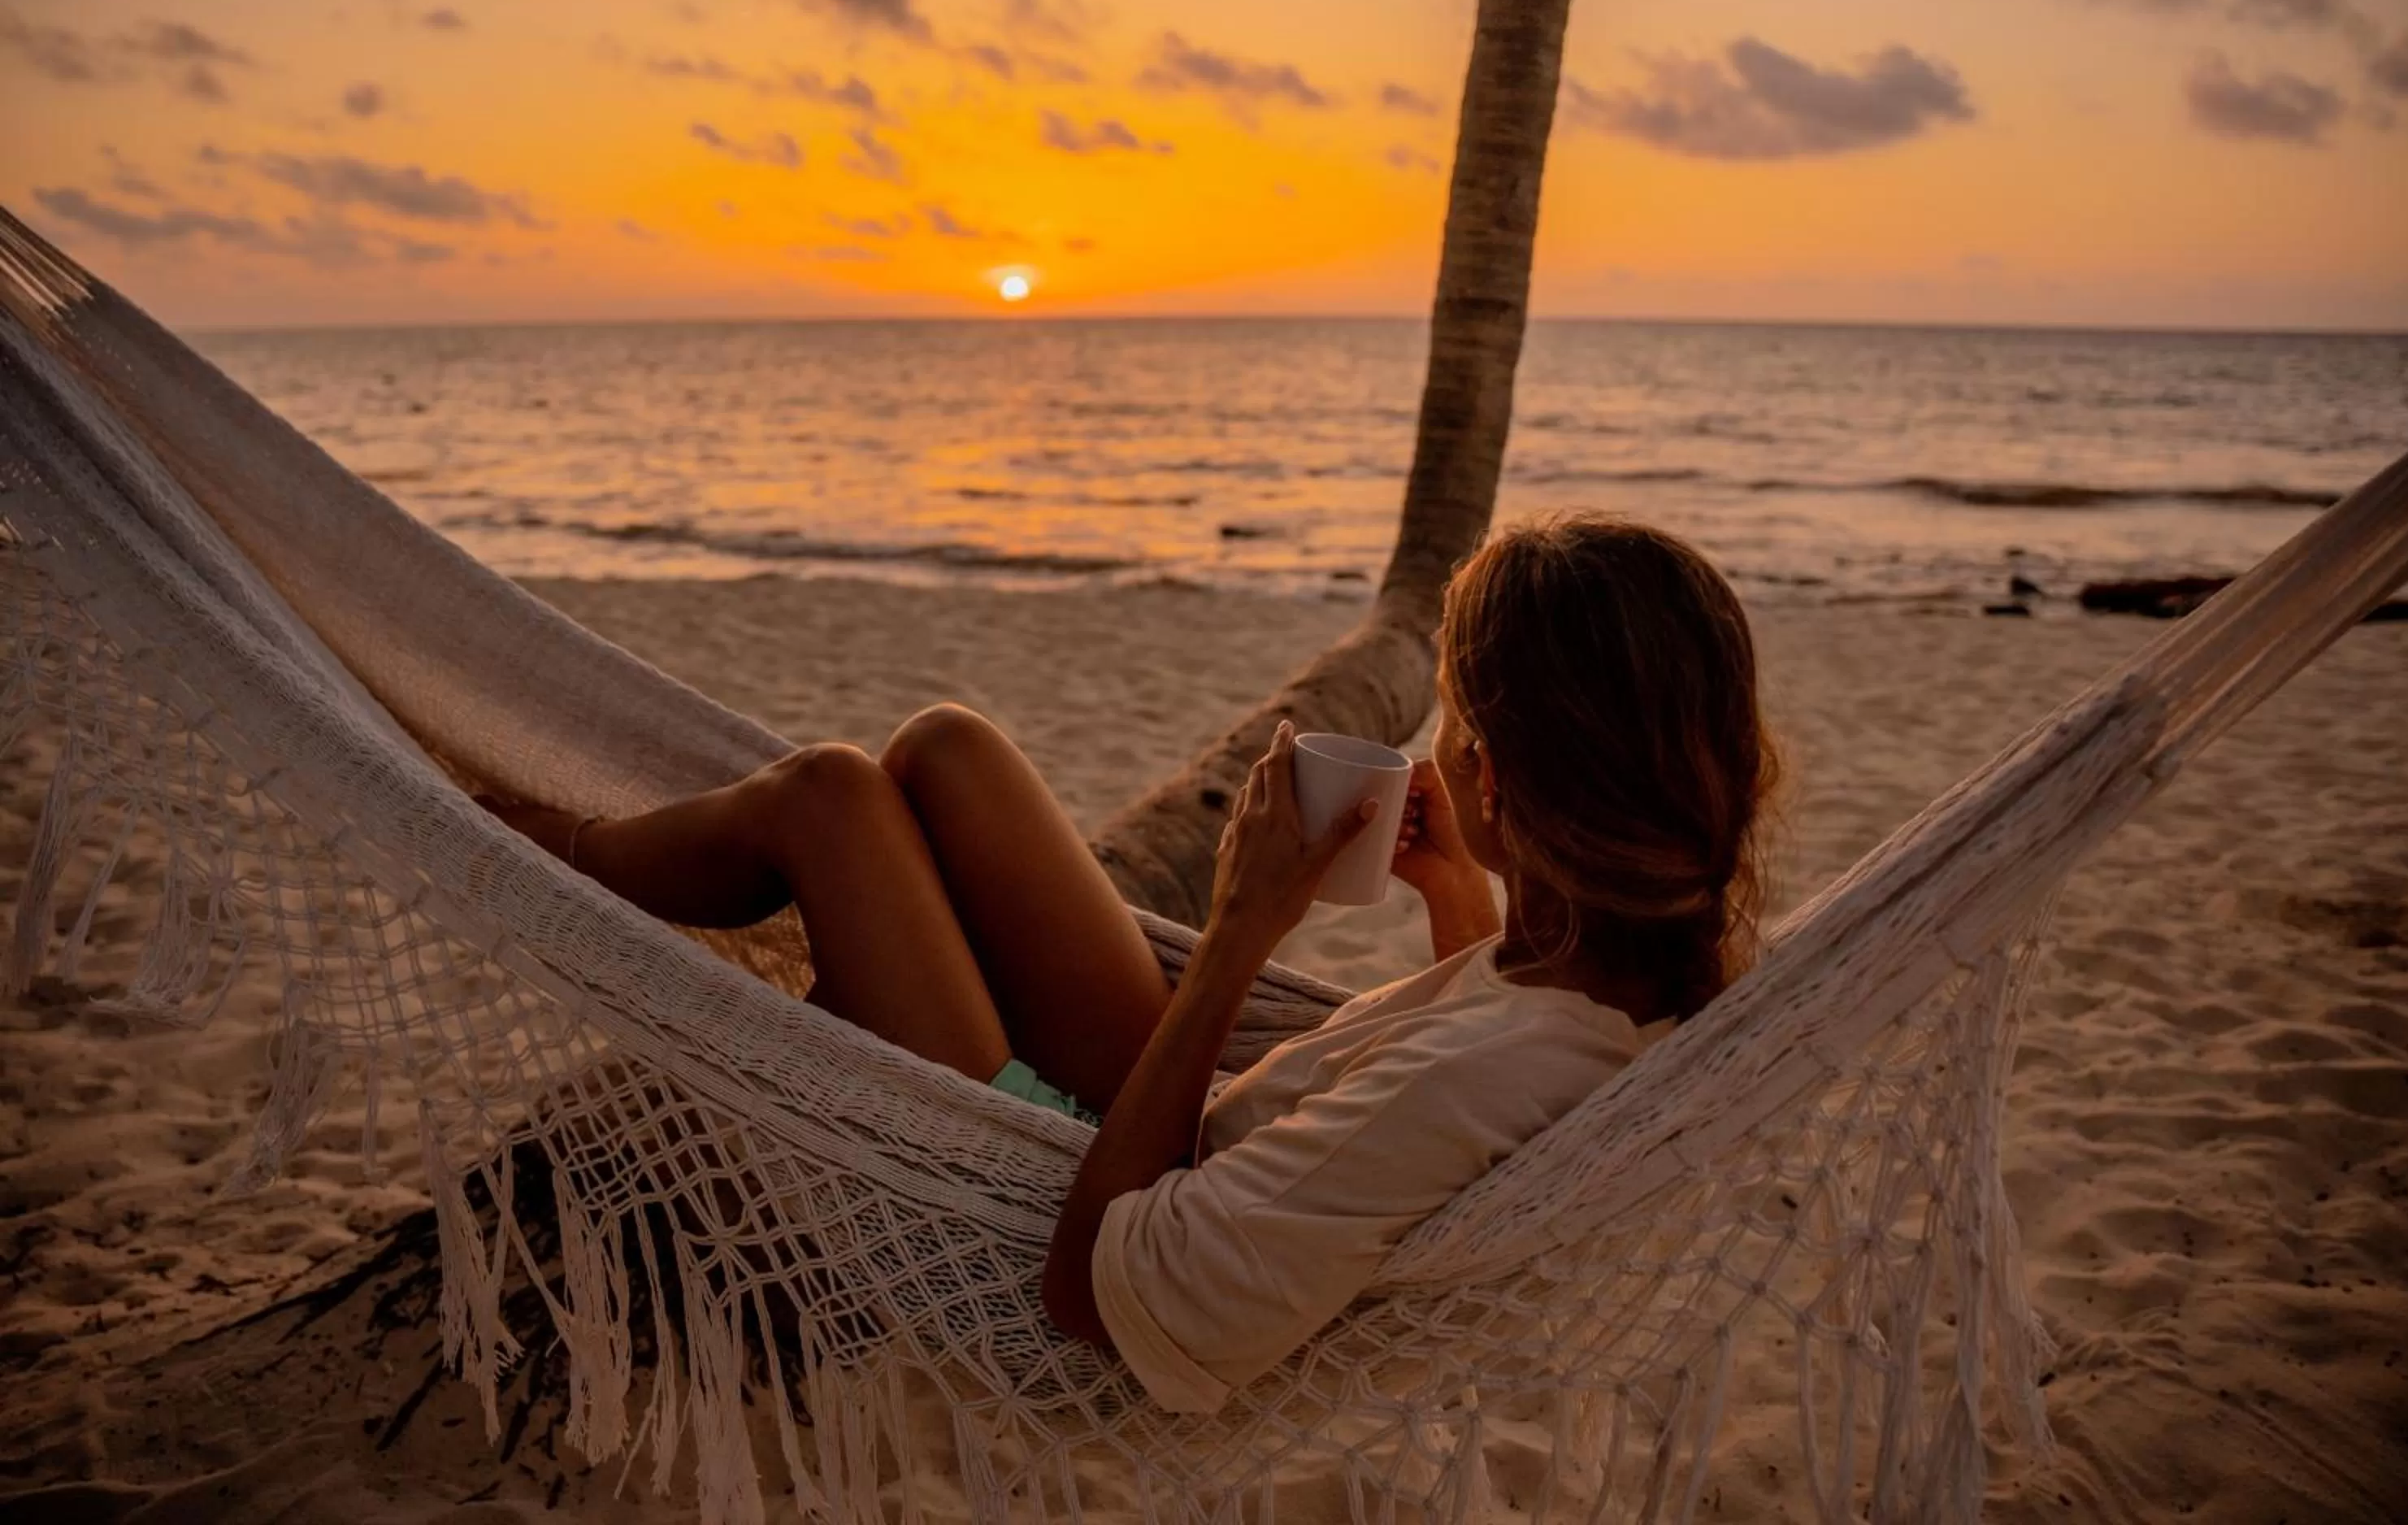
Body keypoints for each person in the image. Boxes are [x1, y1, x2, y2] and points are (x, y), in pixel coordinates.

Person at [484, 515, 1777, 1413]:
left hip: (1043, 1218)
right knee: (947, 750)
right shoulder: (1618, 971)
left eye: (1457, 721)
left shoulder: (1490, 1072)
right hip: (1182, 1139)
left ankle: (551, 862)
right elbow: (1478, 1073)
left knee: (832, 800)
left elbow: (1091, 1294)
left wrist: (1238, 932)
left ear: (1496, 771)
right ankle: (591, 850)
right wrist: (1458, 891)